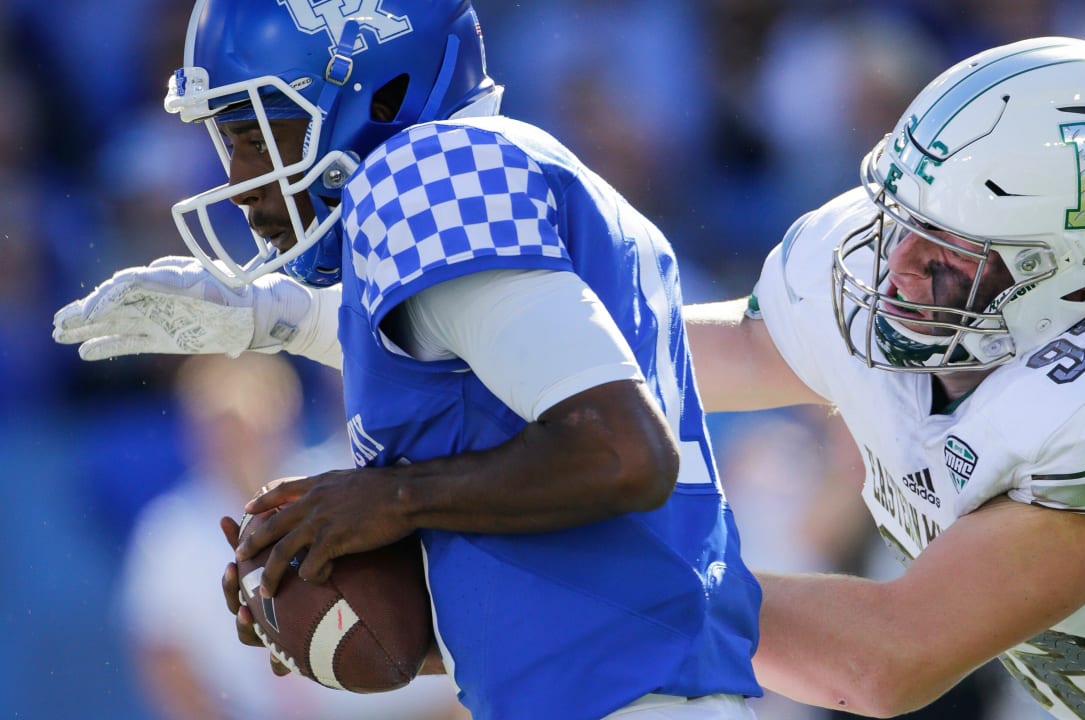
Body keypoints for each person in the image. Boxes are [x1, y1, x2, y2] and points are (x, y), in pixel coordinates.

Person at [54, 2, 761, 719]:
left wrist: (390, 498)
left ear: (378, 93)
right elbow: (466, 357)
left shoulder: (426, 172)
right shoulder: (490, 190)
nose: (239, 179)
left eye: (255, 133)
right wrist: (338, 602)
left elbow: (622, 453)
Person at [682, 37, 1085, 718]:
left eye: (953, 250)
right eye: (899, 220)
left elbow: (882, 660)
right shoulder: (894, 272)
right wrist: (551, 368)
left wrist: (628, 584)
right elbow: (750, 351)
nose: (899, 264)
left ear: (1080, 278)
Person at [118, 352, 468, 720]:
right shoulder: (172, 533)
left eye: (246, 419)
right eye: (218, 423)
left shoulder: (344, 486)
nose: (236, 440)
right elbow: (162, 655)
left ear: (285, 414)